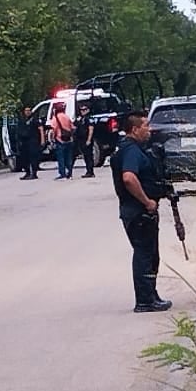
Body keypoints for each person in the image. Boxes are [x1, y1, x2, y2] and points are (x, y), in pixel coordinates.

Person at [111, 113, 172, 313]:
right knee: (144, 254)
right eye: (146, 125)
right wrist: (146, 201)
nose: (150, 129)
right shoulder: (131, 151)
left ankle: (151, 295)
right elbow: (128, 178)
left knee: (150, 254)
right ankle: (145, 301)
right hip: (138, 211)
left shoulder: (131, 148)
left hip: (136, 211)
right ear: (135, 129)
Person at [17, 105, 45, 180]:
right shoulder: (22, 120)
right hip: (24, 142)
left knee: (33, 158)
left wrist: (42, 140)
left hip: (33, 141)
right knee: (25, 158)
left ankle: (34, 173)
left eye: (29, 110)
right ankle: (27, 173)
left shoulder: (34, 119)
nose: (27, 112)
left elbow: (41, 129)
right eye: (26, 110)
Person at [49, 102, 75, 180]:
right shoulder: (66, 117)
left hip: (60, 139)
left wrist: (53, 138)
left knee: (61, 158)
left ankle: (62, 174)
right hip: (68, 139)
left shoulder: (55, 118)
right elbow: (72, 127)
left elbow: (54, 128)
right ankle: (69, 174)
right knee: (68, 157)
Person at [72, 103, 96, 178]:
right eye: (81, 110)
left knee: (89, 156)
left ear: (88, 110)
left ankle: (90, 172)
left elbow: (91, 129)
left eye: (84, 110)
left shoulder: (89, 118)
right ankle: (88, 171)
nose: (82, 111)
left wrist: (89, 140)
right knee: (85, 156)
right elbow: (74, 125)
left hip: (86, 139)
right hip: (80, 140)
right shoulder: (80, 118)